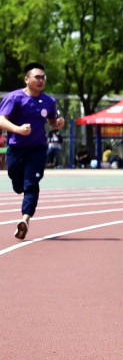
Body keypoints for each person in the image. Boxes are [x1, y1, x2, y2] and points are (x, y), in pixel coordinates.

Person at [0, 62, 66, 240]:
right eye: (37, 77)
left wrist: (57, 124)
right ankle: (21, 192)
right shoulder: (14, 98)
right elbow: (1, 119)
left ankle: (25, 220)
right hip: (16, 149)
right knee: (18, 184)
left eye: (43, 77)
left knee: (32, 184)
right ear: (26, 79)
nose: (41, 80)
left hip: (37, 149)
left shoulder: (48, 101)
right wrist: (18, 129)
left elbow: (52, 121)